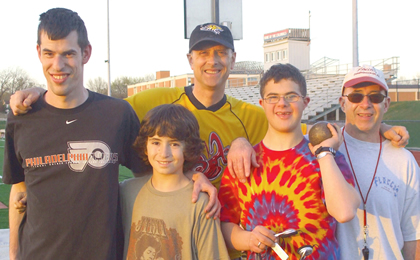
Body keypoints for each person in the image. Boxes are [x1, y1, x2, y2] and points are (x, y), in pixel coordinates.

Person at [10, 23, 410, 190]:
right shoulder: (153, 102)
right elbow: (92, 105)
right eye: (203, 53)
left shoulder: (252, 115)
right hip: (176, 223)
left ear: (233, 61)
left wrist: (380, 132)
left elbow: (311, 138)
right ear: (190, 61)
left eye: (221, 53)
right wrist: (38, 92)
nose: (212, 61)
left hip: (230, 232)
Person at [2, 8, 216, 260]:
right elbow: (19, 191)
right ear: (39, 52)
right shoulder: (22, 116)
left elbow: (155, 175)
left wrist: (193, 176)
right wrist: (14, 255)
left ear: (86, 53)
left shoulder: (116, 113)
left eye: (68, 53)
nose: (57, 65)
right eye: (49, 53)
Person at [218, 63, 360, 259]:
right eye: (273, 97)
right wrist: (248, 239)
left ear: (305, 102)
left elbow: (344, 212)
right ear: (262, 104)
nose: (282, 103)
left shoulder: (327, 157)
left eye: (291, 96)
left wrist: (325, 154)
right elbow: (224, 226)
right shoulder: (243, 162)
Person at [120, 104, 230, 260]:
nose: (164, 153)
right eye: (156, 142)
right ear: (145, 145)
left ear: (189, 148)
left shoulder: (199, 203)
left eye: (174, 144)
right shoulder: (127, 191)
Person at [336, 65, 420, 260]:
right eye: (356, 96)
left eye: (375, 97)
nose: (365, 104)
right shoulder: (323, 150)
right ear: (342, 103)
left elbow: (414, 235)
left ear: (387, 104)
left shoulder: (404, 160)